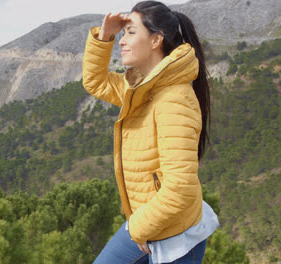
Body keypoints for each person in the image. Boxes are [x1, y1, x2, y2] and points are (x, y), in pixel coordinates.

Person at [82, 1, 220, 263]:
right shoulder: (141, 87)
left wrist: (137, 229)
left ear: (156, 39)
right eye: (123, 34)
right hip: (149, 223)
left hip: (175, 236)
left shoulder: (173, 99)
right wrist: (105, 35)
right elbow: (95, 82)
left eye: (131, 32)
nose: (123, 41)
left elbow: (179, 189)